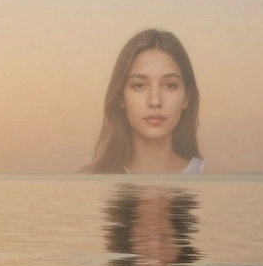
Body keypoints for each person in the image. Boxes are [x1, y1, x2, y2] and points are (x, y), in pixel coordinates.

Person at [81, 29, 205, 174]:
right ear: (121, 97)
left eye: (170, 85)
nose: (155, 101)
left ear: (187, 98)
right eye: (139, 86)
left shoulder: (215, 184)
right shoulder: (89, 182)